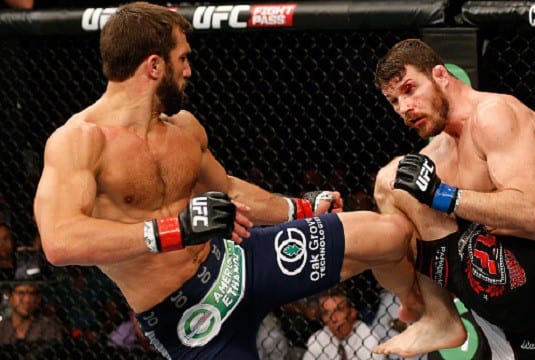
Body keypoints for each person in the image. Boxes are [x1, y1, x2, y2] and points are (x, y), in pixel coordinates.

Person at [33, 3, 418, 359]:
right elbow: (60, 241)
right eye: (182, 59)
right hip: (187, 318)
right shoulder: (79, 141)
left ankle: (432, 317)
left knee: (389, 234)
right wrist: (175, 230)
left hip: (236, 261)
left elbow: (229, 189)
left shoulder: (183, 128)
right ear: (154, 66)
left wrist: (300, 208)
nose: (188, 71)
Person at [371, 38, 535, 359]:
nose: (404, 108)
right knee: (395, 185)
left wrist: (442, 195)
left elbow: (530, 210)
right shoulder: (436, 152)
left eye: (409, 89)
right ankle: (427, 310)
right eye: (394, 101)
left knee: (395, 178)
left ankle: (438, 317)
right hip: (490, 279)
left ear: (440, 75)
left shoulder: (494, 115)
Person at [0, 252, 64, 345]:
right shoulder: (2, 329)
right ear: (10, 296)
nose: (27, 300)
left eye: (32, 294)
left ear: (38, 299)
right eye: (21, 293)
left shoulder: (49, 328)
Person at [303, 287, 384, 360]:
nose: (333, 318)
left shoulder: (369, 339)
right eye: (327, 313)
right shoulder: (318, 339)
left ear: (352, 312)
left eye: (339, 310)